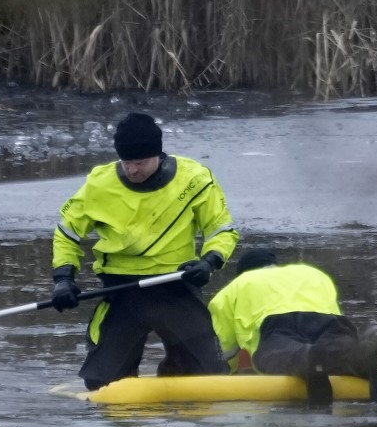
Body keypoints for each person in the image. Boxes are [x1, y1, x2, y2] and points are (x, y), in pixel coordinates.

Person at [50, 112, 238, 390]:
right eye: (127, 163)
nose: (132, 170)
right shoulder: (98, 185)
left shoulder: (195, 179)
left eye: (140, 163)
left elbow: (221, 231)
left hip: (176, 287)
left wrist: (209, 262)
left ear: (158, 156)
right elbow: (66, 234)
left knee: (209, 378)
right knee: (100, 382)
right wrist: (63, 279)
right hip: (121, 292)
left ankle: (178, 369)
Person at [207, 248, 377, 404]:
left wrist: (224, 379)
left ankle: (309, 357)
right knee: (340, 349)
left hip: (277, 326)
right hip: (329, 321)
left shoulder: (236, 287)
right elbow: (335, 315)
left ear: (243, 272)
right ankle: (366, 351)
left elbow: (225, 352)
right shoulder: (313, 273)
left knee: (286, 354)